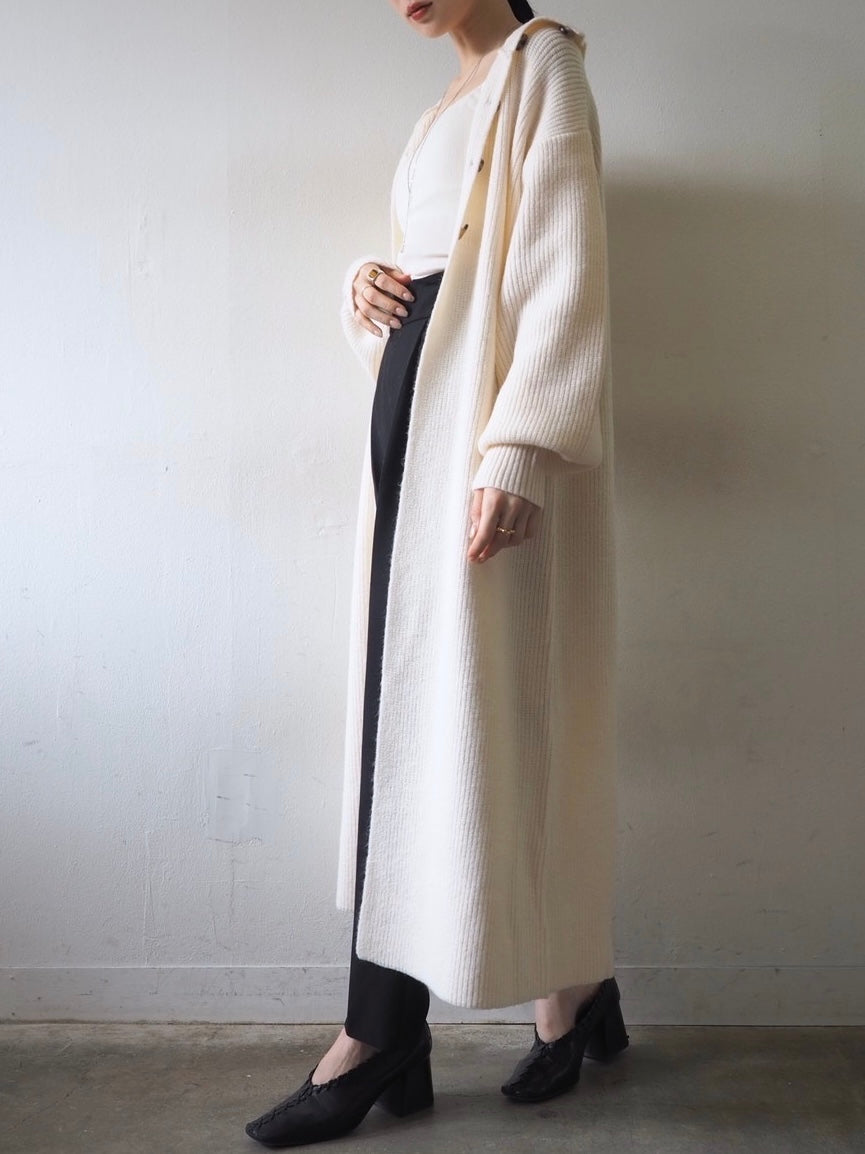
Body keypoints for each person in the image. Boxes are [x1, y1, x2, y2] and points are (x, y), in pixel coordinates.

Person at [245, 1, 628, 1146]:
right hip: (411, 419)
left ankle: (382, 1031)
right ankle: (567, 990)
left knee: (474, 726)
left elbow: (562, 265)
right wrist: (365, 288)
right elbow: (432, 274)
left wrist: (520, 446)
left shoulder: (542, 64)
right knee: (405, 719)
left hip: (476, 431)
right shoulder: (440, 111)